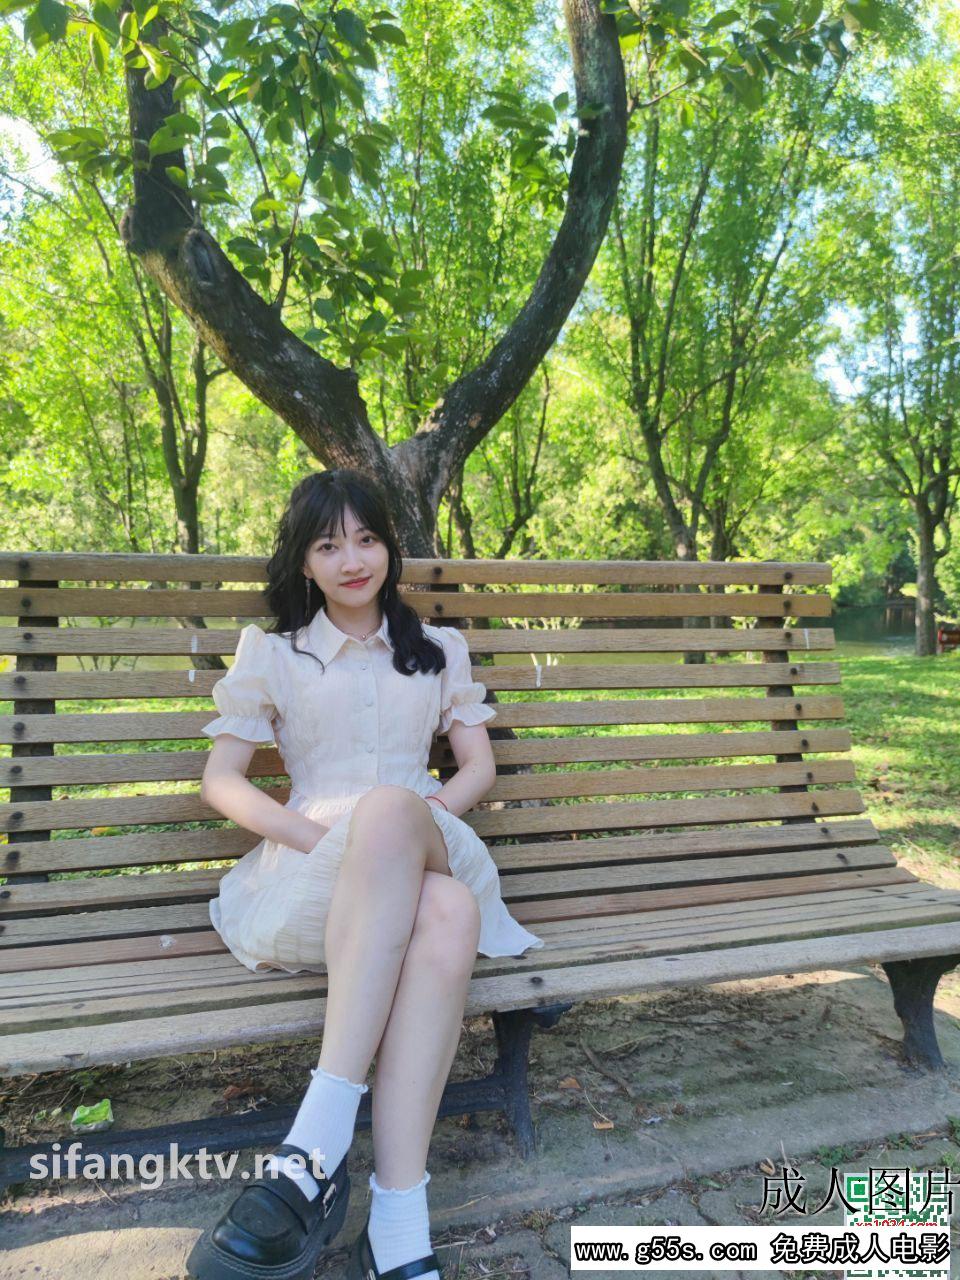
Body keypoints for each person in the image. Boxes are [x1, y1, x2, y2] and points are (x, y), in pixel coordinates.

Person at [186, 468, 544, 1280]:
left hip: (432, 837)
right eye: (328, 545)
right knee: (446, 911)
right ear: (303, 562)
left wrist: (420, 818)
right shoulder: (274, 654)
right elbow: (222, 782)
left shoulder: (438, 650)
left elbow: (477, 767)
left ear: (389, 548)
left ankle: (312, 1149)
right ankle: (396, 1226)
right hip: (320, 874)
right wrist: (323, 841)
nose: (352, 560)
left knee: (391, 812)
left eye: (367, 539)